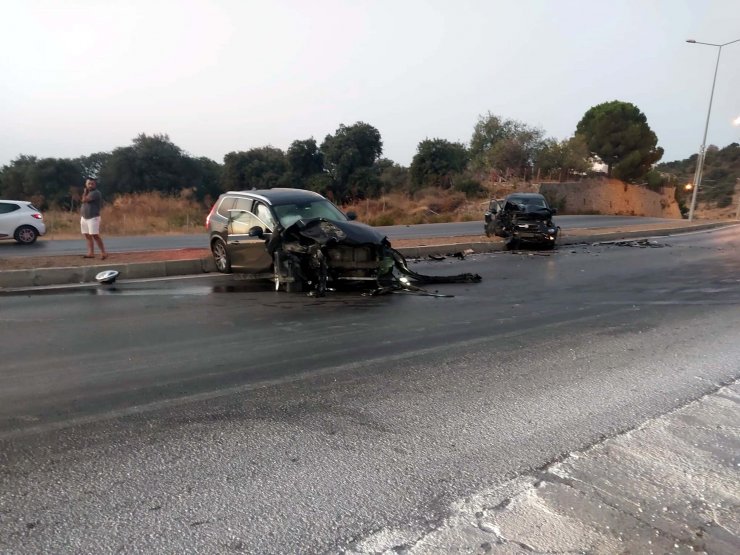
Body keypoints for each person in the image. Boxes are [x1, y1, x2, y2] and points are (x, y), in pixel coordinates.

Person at [80, 178, 107, 259]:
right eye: (89, 183)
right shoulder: (88, 193)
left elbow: (84, 200)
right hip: (84, 217)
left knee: (95, 235)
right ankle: (91, 253)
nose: (90, 185)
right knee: (87, 236)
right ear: (86, 184)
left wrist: (85, 192)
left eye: (92, 184)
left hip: (93, 217)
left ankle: (103, 252)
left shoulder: (96, 193)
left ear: (95, 185)